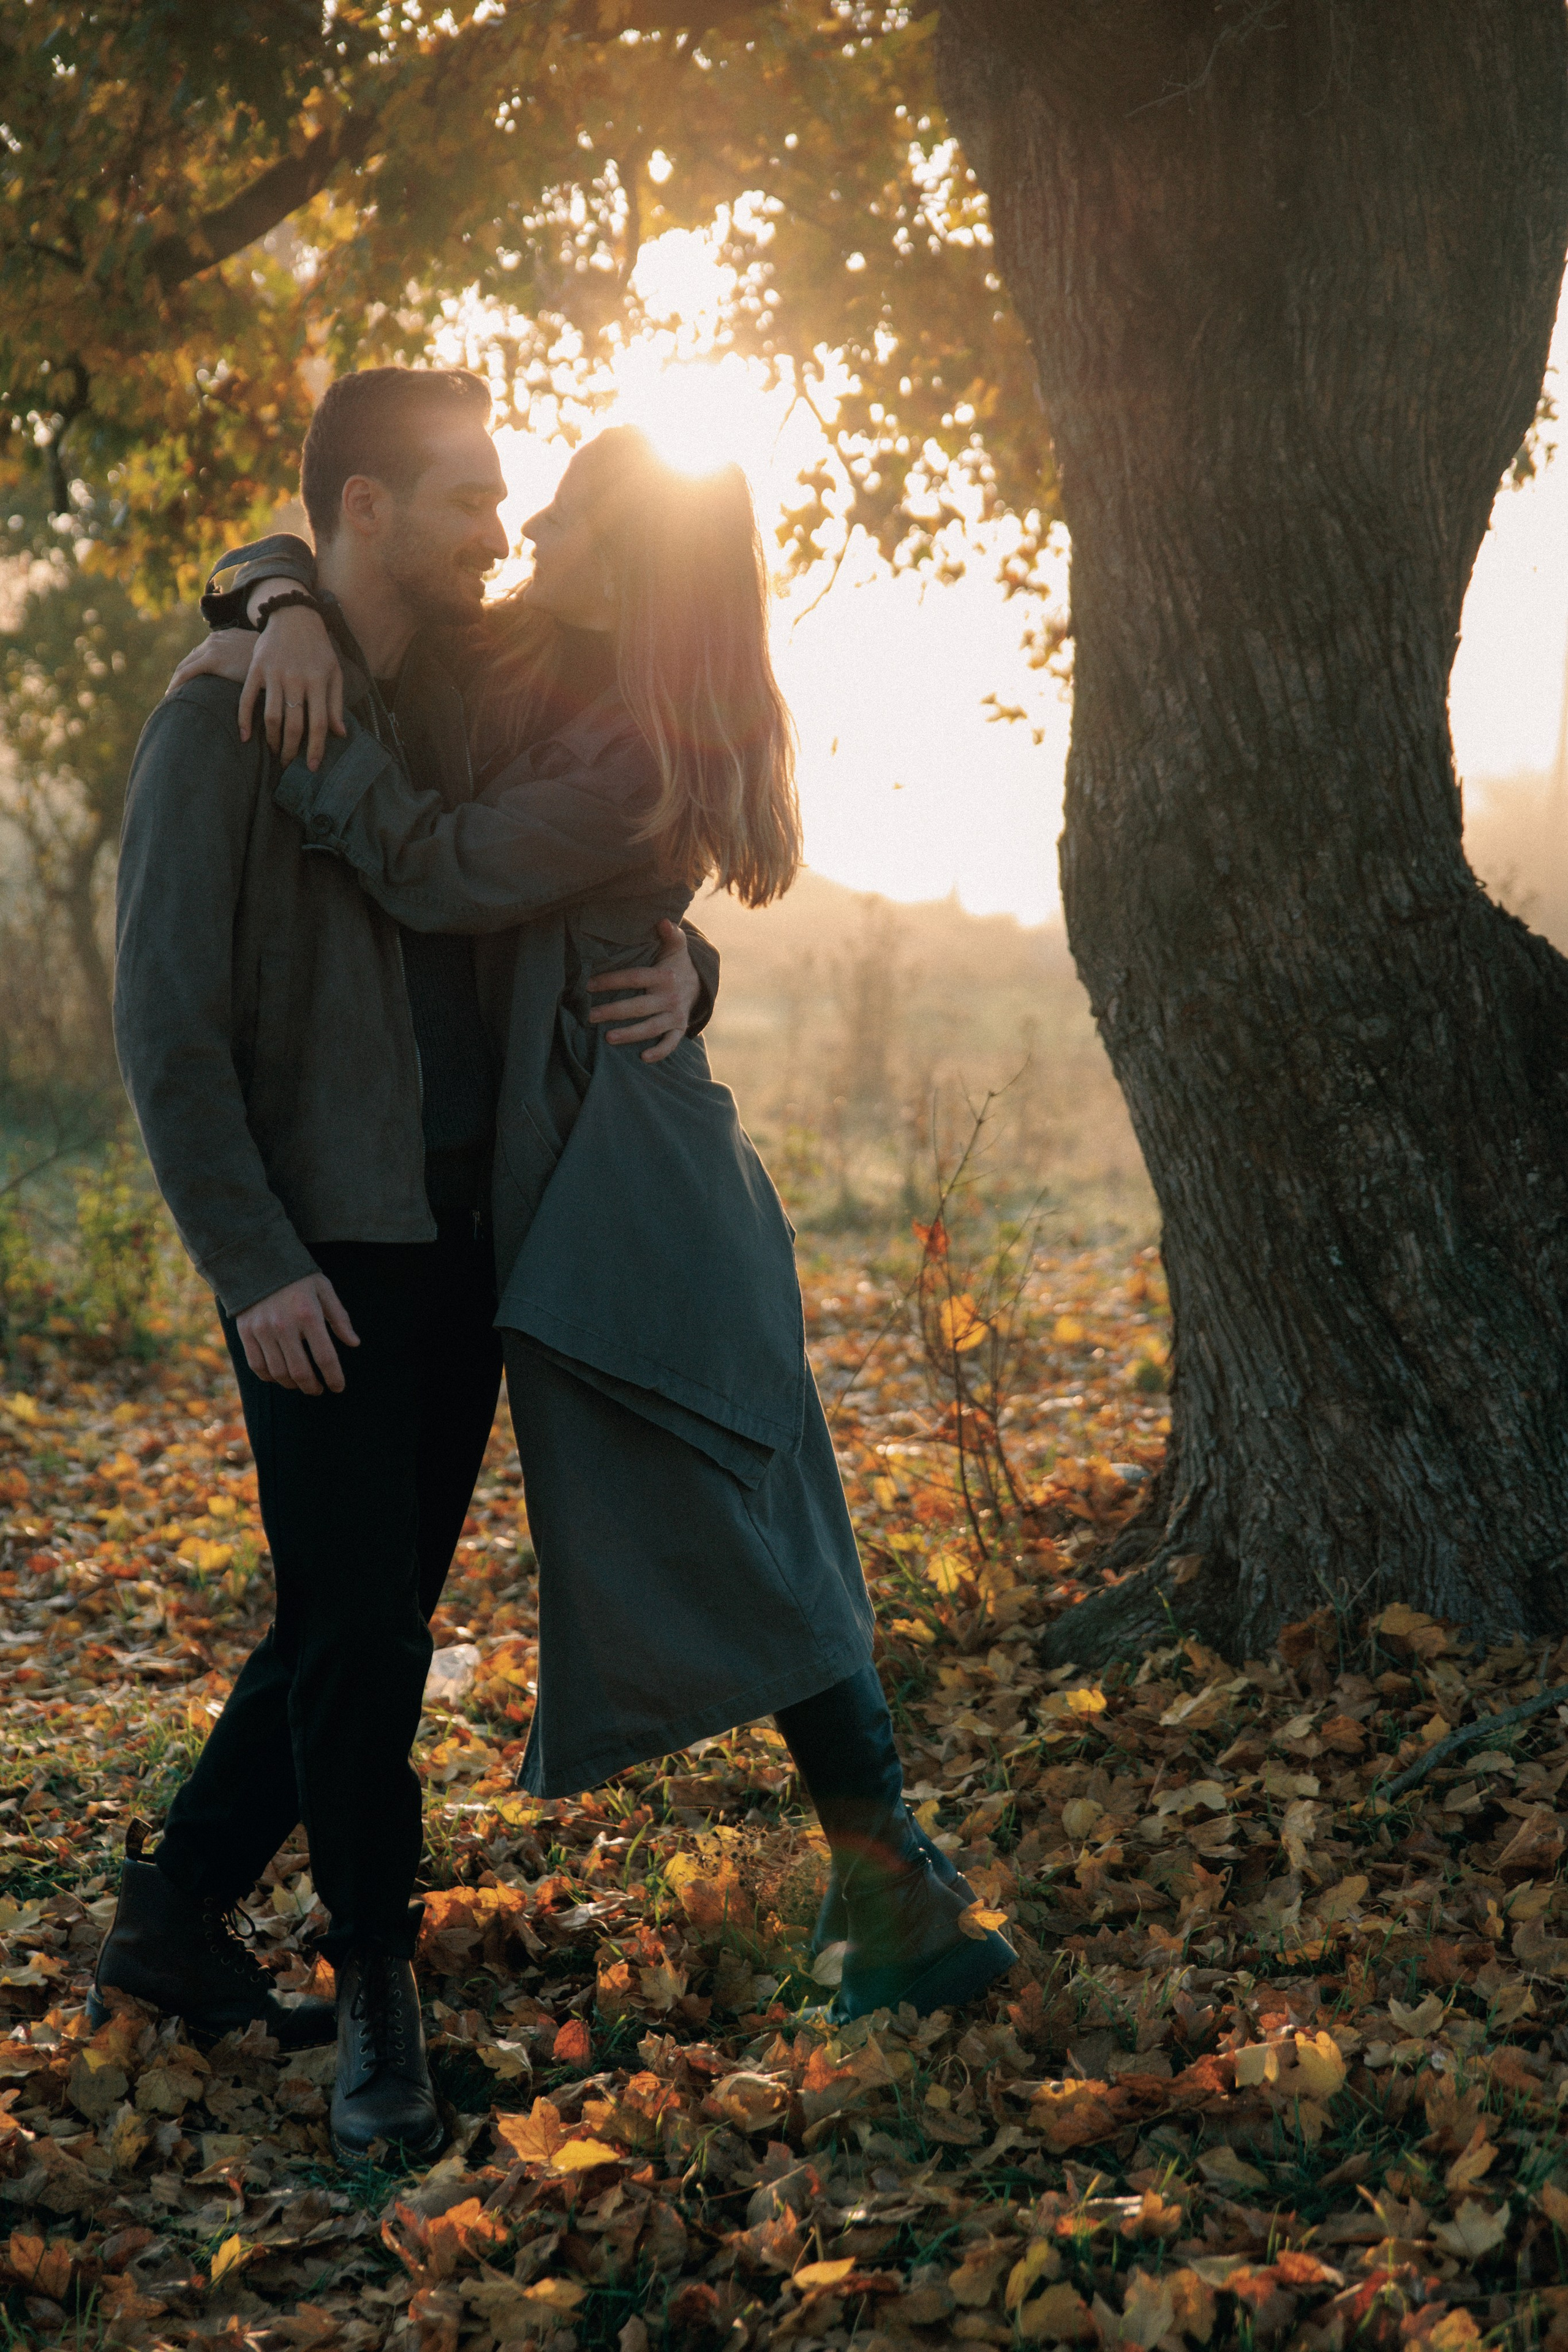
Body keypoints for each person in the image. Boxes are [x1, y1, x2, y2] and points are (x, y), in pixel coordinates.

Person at [183, 415, 1018, 2054]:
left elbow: (432, 868)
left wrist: (312, 742)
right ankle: (892, 1886)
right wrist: (275, 596)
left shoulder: (632, 743)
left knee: (748, 1499)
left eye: (557, 518)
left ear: (623, 563)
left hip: (636, 1182)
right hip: (570, 1174)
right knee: (701, 1512)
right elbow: (351, 573)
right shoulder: (541, 670)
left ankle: (898, 1882)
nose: (523, 537)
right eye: (515, 508)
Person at [106, 369, 713, 2165]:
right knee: (365, 1629)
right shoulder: (221, 718)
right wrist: (252, 1266)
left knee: (347, 1614)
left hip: (471, 1238)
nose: (502, 529)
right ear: (366, 507)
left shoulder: (452, 696)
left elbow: (588, 867)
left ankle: (168, 1919)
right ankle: (377, 1989)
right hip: (323, 1260)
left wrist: (690, 971)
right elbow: (167, 1033)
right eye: (465, 498)